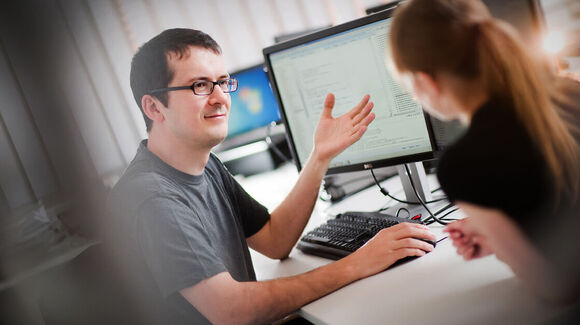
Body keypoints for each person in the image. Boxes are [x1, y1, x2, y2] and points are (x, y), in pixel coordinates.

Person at [107, 28, 436, 325]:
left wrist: (319, 156)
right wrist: (356, 264)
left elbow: (274, 240)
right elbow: (232, 311)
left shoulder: (204, 165)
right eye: (200, 86)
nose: (221, 97)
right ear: (153, 108)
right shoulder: (153, 199)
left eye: (223, 82)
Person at [388, 0, 580, 302]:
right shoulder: (569, 91)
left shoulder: (462, 168)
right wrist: (501, 236)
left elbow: (552, 287)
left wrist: (504, 248)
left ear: (426, 82)